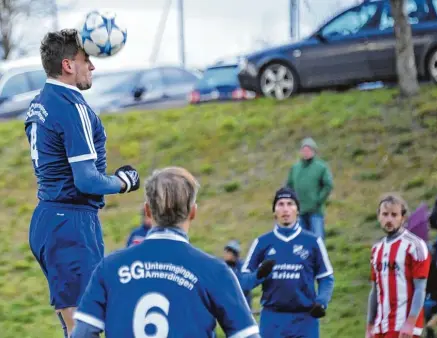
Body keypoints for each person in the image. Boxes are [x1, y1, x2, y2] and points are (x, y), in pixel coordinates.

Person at [24, 29, 140, 338]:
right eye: (86, 59)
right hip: (71, 225)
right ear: (67, 65)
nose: (93, 67)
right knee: (84, 329)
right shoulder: (72, 106)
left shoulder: (39, 102)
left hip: (49, 218)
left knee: (78, 326)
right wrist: (124, 182)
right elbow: (86, 180)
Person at [70, 167, 260, 338]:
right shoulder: (215, 271)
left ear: (148, 211)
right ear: (193, 212)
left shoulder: (109, 267)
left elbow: (83, 333)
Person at [241, 187, 335, 338]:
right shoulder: (262, 242)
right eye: (281, 204)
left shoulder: (313, 242)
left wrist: (321, 301)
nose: (285, 209)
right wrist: (259, 274)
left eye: (290, 203)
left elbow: (326, 278)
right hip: (273, 320)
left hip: (305, 319)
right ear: (274, 212)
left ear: (297, 210)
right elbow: (243, 283)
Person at [366, 194, 431, 338]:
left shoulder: (415, 245)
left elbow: (420, 288)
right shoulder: (376, 249)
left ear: (403, 218)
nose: (389, 219)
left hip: (403, 326)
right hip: (380, 326)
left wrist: (411, 322)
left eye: (394, 215)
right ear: (378, 216)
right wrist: (370, 325)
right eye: (385, 214)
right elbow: (375, 290)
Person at [286, 137, 333, 239]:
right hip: (299, 212)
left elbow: (328, 185)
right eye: (304, 150)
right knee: (301, 240)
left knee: (317, 239)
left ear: (314, 151)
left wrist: (318, 200)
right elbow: (288, 186)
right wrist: (291, 203)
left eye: (308, 150)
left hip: (315, 212)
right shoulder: (295, 168)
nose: (306, 152)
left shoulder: (321, 167)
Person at [223, 239, 253, 308]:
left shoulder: (242, 268)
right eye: (226, 251)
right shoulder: (223, 267)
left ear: (235, 254)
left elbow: (245, 286)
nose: (226, 254)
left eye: (229, 252)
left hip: (242, 304)